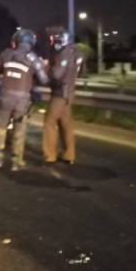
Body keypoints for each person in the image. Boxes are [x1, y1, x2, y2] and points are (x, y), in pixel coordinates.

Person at [0, 29, 49, 171]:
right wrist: (43, 67)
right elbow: (44, 80)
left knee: (1, 128)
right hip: (22, 101)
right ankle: (15, 161)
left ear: (16, 41)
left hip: (5, 98)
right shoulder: (33, 59)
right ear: (31, 42)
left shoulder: (6, 54)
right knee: (19, 130)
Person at [42, 28, 84, 167]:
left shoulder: (65, 53)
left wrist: (47, 67)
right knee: (66, 124)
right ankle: (69, 155)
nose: (55, 43)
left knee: (49, 122)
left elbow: (56, 74)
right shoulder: (77, 52)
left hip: (60, 93)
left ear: (63, 40)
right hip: (70, 92)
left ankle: (50, 156)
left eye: (57, 40)